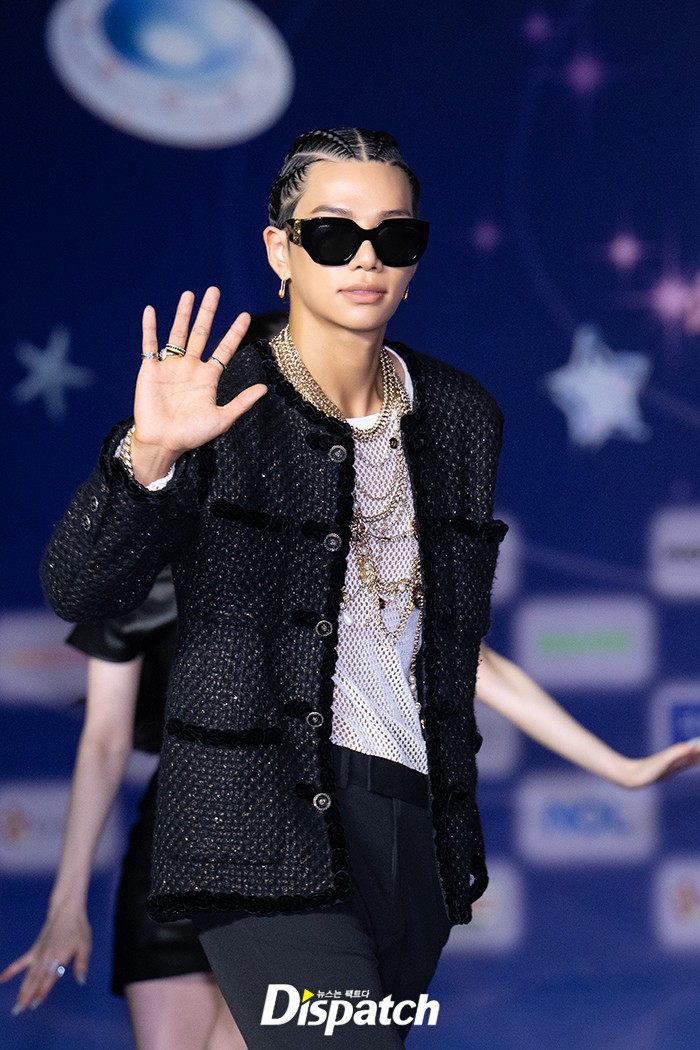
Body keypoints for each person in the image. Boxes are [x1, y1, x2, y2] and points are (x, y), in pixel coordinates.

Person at [38, 128, 700, 1048]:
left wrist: (619, 767)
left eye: (394, 236)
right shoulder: (217, 397)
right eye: (331, 234)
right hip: (257, 821)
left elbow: (449, 645)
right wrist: (148, 456)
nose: (365, 258)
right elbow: (81, 587)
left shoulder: (459, 415)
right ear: (280, 250)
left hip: (416, 823)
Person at [1, 568, 246, 1050]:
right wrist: (66, 906)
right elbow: (103, 741)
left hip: (295, 867)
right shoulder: (141, 574)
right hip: (169, 868)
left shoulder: (308, 553)